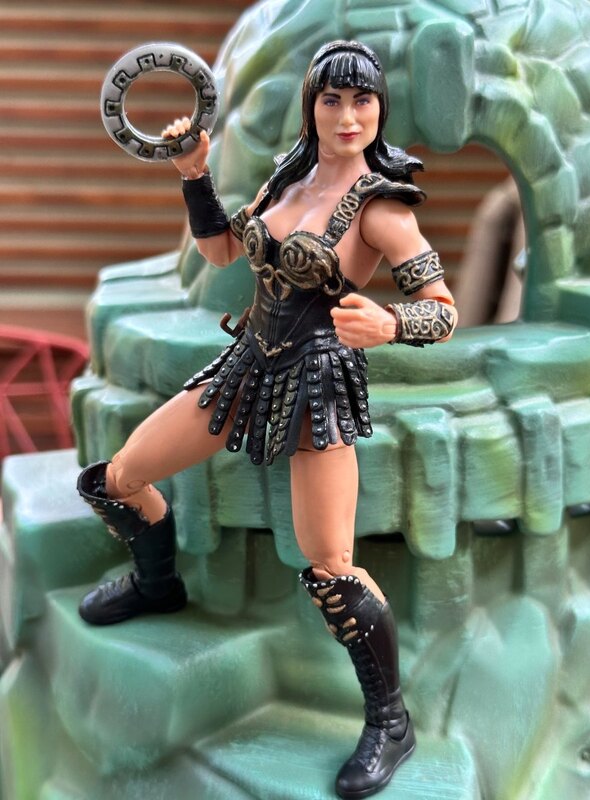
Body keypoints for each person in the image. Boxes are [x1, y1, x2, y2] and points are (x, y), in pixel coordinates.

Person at [77, 40, 457, 799]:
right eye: (331, 100)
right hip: (246, 366)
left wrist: (390, 324)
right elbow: (222, 250)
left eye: (362, 101)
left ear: (379, 109)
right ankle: (157, 584)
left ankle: (391, 720)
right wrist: (194, 175)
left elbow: (443, 311)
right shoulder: (288, 179)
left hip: (318, 386)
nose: (347, 116)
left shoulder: (381, 208)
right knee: (118, 476)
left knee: (331, 565)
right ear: (311, 106)